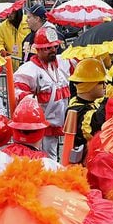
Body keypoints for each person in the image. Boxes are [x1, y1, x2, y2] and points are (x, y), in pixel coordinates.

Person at [13, 26, 73, 160]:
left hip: (56, 128)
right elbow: (17, 92)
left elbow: (79, 63)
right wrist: (30, 99)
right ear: (38, 49)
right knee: (42, 160)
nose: (52, 50)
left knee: (52, 159)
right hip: (39, 129)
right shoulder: (29, 70)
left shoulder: (62, 63)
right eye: (48, 48)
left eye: (54, 47)